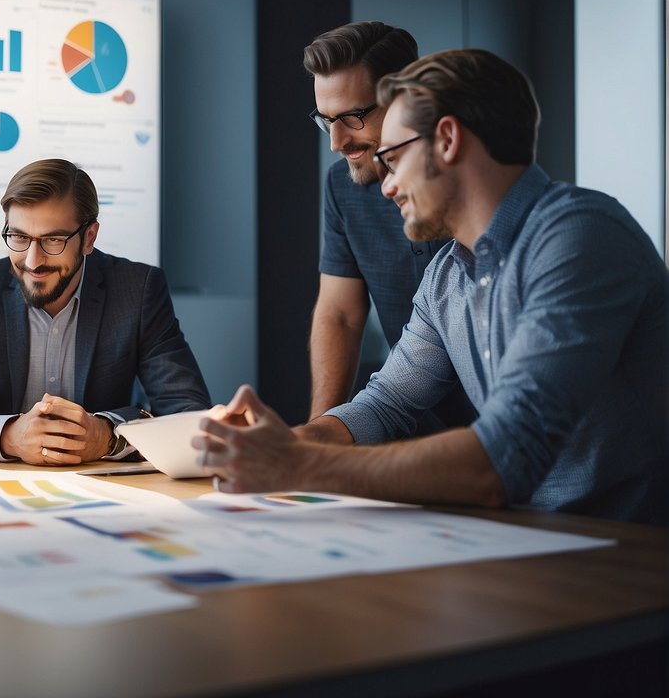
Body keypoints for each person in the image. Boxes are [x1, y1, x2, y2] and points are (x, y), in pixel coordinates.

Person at [197, 49, 667, 525]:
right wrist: (289, 441)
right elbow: (386, 404)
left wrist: (299, 465)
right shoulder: (446, 276)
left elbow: (501, 460)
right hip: (532, 537)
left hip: (627, 546)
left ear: (446, 139)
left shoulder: (579, 237)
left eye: (394, 158)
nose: (386, 186)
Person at [0, 158, 210, 465]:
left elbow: (188, 412)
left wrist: (108, 436)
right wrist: (10, 436)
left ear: (89, 238)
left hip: (100, 484)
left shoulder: (138, 290)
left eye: (53, 240)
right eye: (19, 237)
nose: (33, 261)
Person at [305, 21, 473, 429]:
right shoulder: (342, 186)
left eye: (353, 116)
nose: (336, 142)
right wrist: (315, 435)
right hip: (413, 423)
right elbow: (340, 316)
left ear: (405, 100)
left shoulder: (478, 190)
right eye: (326, 120)